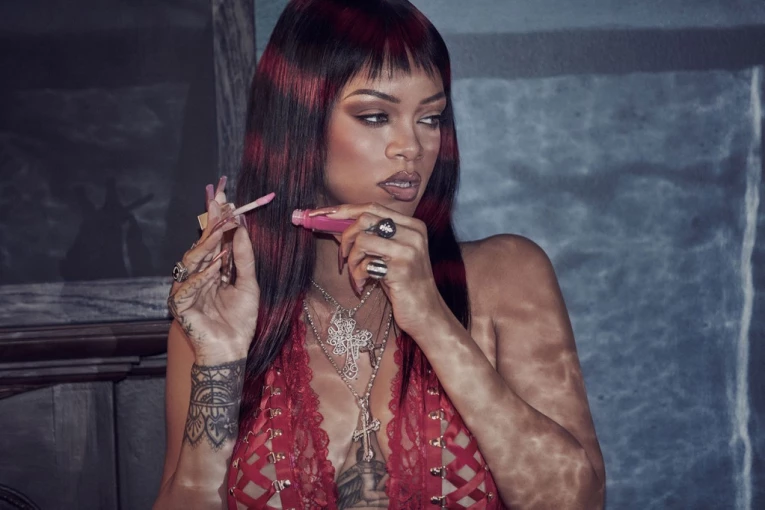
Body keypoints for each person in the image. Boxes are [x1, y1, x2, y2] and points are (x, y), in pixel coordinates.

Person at [153, 0, 606, 508]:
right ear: (298, 122)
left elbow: (577, 501)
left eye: (430, 118)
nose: (411, 146)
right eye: (375, 116)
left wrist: (433, 318)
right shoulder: (223, 313)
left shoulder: (507, 276)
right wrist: (219, 365)